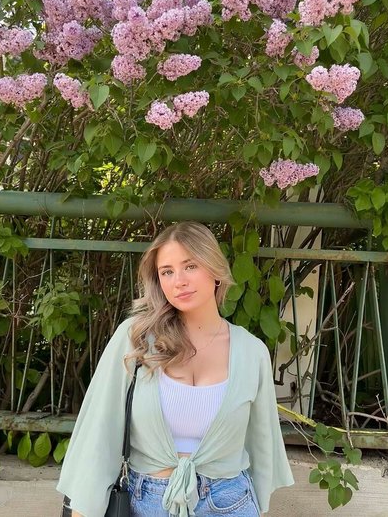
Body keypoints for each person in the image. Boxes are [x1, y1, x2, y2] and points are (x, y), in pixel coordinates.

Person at [57, 221, 294, 517]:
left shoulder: (252, 351)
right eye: (167, 271)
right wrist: (83, 510)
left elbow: (262, 445)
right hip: (146, 502)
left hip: (231, 501)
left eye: (190, 266)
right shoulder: (136, 339)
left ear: (214, 269)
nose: (178, 281)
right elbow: (99, 431)